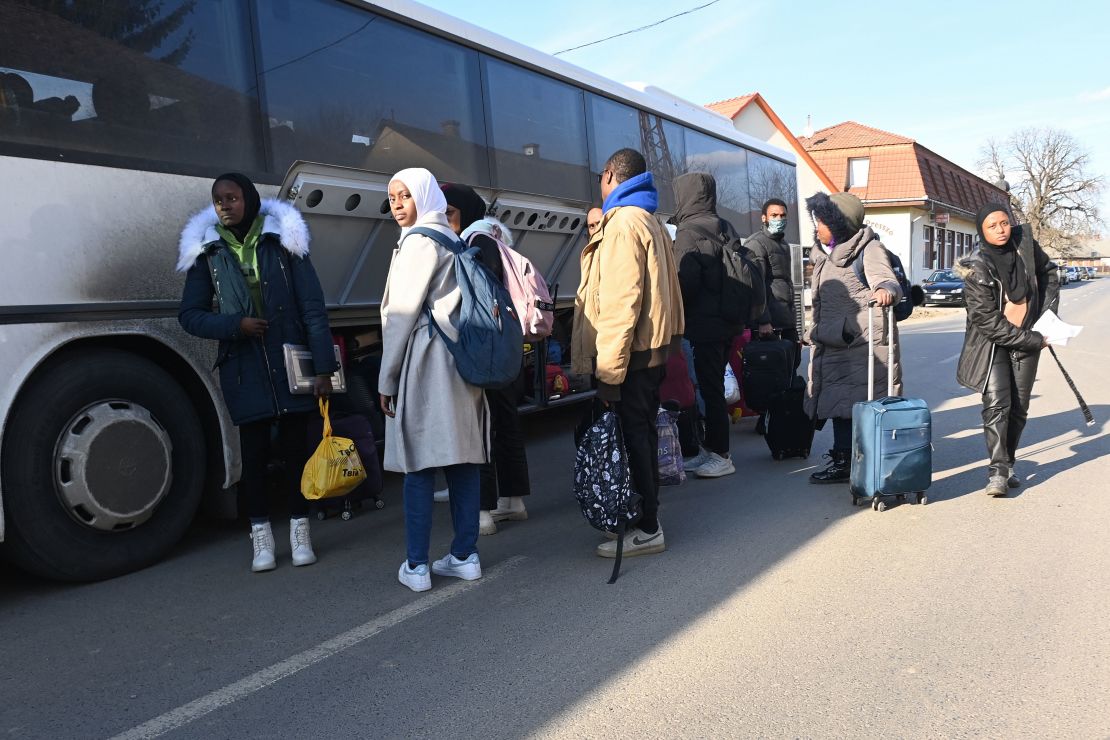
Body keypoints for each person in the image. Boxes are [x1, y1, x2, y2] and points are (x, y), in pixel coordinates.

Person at [178, 173, 336, 572]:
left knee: (297, 453)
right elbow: (190, 316)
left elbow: (312, 307)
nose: (225, 206)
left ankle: (301, 532)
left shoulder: (282, 240)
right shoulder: (207, 250)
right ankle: (261, 537)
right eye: (218, 201)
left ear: (247, 199)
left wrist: (323, 369)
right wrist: (235, 325)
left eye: (231, 198)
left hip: (289, 361)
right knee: (255, 457)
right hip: (243, 367)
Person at [379, 168, 490, 592]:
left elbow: (401, 317)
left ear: (423, 197)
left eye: (406, 195)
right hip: (461, 362)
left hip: (426, 363)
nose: (398, 204)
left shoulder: (419, 243)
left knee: (419, 463)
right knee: (463, 460)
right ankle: (465, 556)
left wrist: (387, 380)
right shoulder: (454, 238)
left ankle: (417, 566)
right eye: (392, 197)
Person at [571, 148, 684, 558]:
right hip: (651, 349)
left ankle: (649, 527)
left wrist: (609, 372)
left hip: (630, 353)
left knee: (633, 434)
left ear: (610, 176)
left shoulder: (621, 224)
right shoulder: (649, 219)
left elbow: (621, 303)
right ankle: (645, 514)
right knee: (641, 432)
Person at [442, 183, 532, 535]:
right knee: (506, 422)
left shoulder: (473, 245)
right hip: (506, 344)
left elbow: (472, 299)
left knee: (478, 425)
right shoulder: (495, 240)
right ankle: (513, 500)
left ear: (465, 213)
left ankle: (482, 510)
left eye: (450, 213)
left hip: (485, 346)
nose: (445, 219)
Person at [955, 204, 1058, 497]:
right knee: (998, 406)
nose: (1001, 230)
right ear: (982, 231)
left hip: (1029, 335)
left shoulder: (1025, 248)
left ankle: (1009, 463)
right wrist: (1034, 340)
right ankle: (998, 472)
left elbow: (1049, 272)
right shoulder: (976, 267)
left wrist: (1047, 317)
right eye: (992, 225)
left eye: (1004, 223)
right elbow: (988, 322)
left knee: (1020, 408)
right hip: (992, 344)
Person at [803, 192, 902, 484]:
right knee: (839, 405)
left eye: (821, 220)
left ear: (839, 222)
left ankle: (857, 462)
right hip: (833, 342)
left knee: (855, 406)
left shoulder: (868, 249)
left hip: (860, 344)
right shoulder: (822, 253)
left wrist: (886, 290)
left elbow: (887, 280)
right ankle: (845, 460)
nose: (816, 226)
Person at [669, 172, 740, 478]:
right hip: (729, 321)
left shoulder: (687, 232)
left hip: (705, 324)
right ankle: (711, 450)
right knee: (712, 387)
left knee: (710, 390)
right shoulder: (725, 226)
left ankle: (721, 455)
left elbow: (686, 282)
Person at [745, 198, 799, 434]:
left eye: (783, 215)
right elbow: (757, 286)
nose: (779, 219)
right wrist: (763, 319)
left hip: (785, 318)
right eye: (774, 215)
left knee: (790, 366)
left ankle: (779, 415)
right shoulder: (757, 244)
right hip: (770, 323)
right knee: (771, 374)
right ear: (764, 218)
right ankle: (767, 418)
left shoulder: (783, 244)